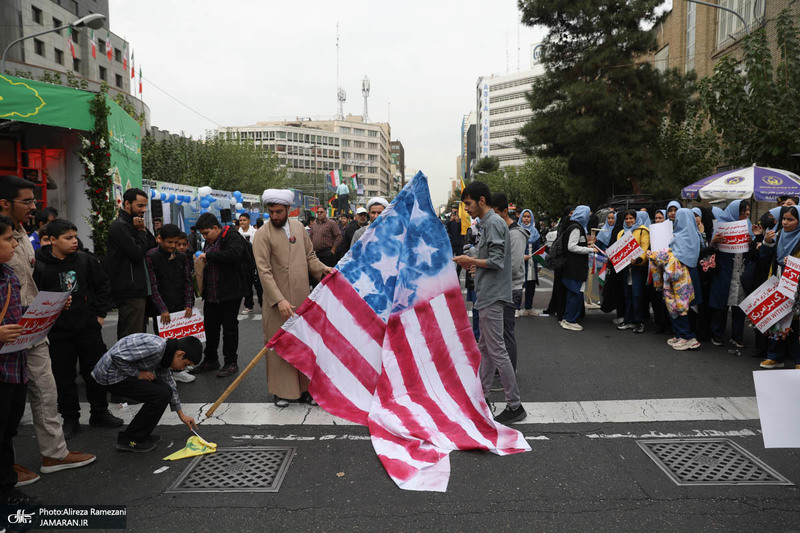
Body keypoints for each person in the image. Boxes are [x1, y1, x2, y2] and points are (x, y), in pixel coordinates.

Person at [0, 176, 96, 487]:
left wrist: (51, 304)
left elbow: (29, 281)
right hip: (7, 332)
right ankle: (6, 467)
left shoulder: (21, 235)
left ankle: (54, 453)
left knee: (44, 392)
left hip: (33, 328)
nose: (33, 207)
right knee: (7, 404)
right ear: (5, 203)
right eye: (26, 201)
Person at [33, 218, 122, 438]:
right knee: (64, 378)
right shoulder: (39, 265)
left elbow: (103, 285)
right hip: (57, 332)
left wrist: (100, 315)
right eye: (68, 238)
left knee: (96, 372)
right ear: (52, 240)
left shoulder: (85, 260)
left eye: (75, 236)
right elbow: (34, 296)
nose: (74, 241)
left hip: (87, 327)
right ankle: (70, 418)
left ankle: (99, 412)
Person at [453, 181, 526, 425]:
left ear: (481, 200)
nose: (467, 209)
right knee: (485, 347)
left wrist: (470, 261)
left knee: (496, 350)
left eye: (469, 204)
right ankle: (481, 396)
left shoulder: (493, 223)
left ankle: (514, 405)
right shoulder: (489, 224)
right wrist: (473, 260)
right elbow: (491, 258)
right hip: (488, 294)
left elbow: (497, 261)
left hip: (493, 296)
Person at [253, 189, 331, 407]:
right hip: (277, 303)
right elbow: (264, 272)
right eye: (271, 212)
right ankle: (282, 391)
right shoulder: (262, 234)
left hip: (301, 299)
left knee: (303, 344)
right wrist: (279, 300)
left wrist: (323, 270)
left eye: (279, 211)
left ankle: (307, 390)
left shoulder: (298, 228)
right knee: (280, 345)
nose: (275, 216)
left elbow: (310, 257)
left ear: (289, 210)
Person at [91, 334, 202, 452]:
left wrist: (181, 415)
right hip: (110, 376)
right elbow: (116, 356)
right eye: (185, 364)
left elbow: (169, 384)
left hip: (122, 373)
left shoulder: (166, 354)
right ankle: (131, 439)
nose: (182, 369)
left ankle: (141, 435)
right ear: (180, 354)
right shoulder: (155, 348)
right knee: (160, 395)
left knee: (165, 391)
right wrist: (138, 373)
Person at [190, 213, 248, 378]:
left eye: (206, 233)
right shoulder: (211, 241)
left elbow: (234, 255)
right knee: (210, 328)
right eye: (202, 234)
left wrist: (209, 256)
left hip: (229, 293)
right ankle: (210, 360)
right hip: (211, 294)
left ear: (216, 227)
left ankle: (230, 362)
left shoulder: (232, 236)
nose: (205, 237)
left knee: (229, 329)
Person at [107, 188, 154, 339]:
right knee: (131, 338)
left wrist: (142, 230)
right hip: (130, 291)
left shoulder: (134, 223)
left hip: (139, 289)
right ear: (127, 203)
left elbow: (152, 246)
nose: (144, 210)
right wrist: (140, 232)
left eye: (145, 206)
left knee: (139, 336)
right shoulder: (120, 225)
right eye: (140, 206)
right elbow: (137, 254)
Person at [708, 200, 752, 348]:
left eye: (747, 210)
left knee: (739, 307)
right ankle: (717, 334)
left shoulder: (749, 226)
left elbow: (753, 254)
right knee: (720, 306)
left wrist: (752, 242)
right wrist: (714, 242)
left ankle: (737, 336)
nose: (746, 213)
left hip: (741, 272)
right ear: (734, 211)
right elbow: (710, 253)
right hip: (724, 273)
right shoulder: (721, 226)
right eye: (742, 211)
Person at [493, 193, 527, 371]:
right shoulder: (503, 231)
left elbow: (512, 268)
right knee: (498, 334)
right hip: (501, 288)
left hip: (510, 289)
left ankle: (508, 371)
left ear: (505, 211)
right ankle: (502, 370)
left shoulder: (515, 235)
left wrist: (487, 268)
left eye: (495, 213)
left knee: (506, 333)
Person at [663, 208, 702, 351]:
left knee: (678, 305)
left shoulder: (679, 236)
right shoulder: (695, 234)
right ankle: (681, 334)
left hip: (679, 276)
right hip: (690, 273)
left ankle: (687, 337)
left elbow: (674, 257)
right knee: (684, 305)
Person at [560, 206, 598, 331]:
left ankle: (567, 318)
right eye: (587, 215)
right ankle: (570, 320)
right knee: (575, 294)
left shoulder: (575, 227)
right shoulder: (576, 228)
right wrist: (590, 249)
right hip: (575, 267)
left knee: (573, 293)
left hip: (575, 267)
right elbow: (572, 246)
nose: (588, 217)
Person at [616, 211, 650, 333]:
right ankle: (628, 320)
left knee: (637, 295)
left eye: (631, 218)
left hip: (638, 268)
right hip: (626, 269)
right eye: (626, 218)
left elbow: (644, 249)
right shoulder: (621, 233)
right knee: (627, 295)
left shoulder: (643, 231)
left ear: (636, 218)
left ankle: (639, 322)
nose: (629, 220)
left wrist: (638, 259)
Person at [518, 209, 540, 316]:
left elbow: (539, 249)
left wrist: (539, 264)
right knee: (518, 285)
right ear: (521, 218)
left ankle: (528, 307)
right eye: (524, 216)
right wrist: (521, 257)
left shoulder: (535, 232)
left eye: (528, 217)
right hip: (520, 263)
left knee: (531, 286)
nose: (526, 219)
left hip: (532, 264)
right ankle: (516, 308)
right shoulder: (517, 231)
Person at [237, 213, 259, 314]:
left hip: (254, 260)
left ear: (249, 221)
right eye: (240, 220)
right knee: (246, 285)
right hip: (242, 262)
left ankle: (263, 304)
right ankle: (249, 306)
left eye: (244, 220)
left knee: (258, 285)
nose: (242, 222)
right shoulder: (237, 233)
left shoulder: (255, 232)